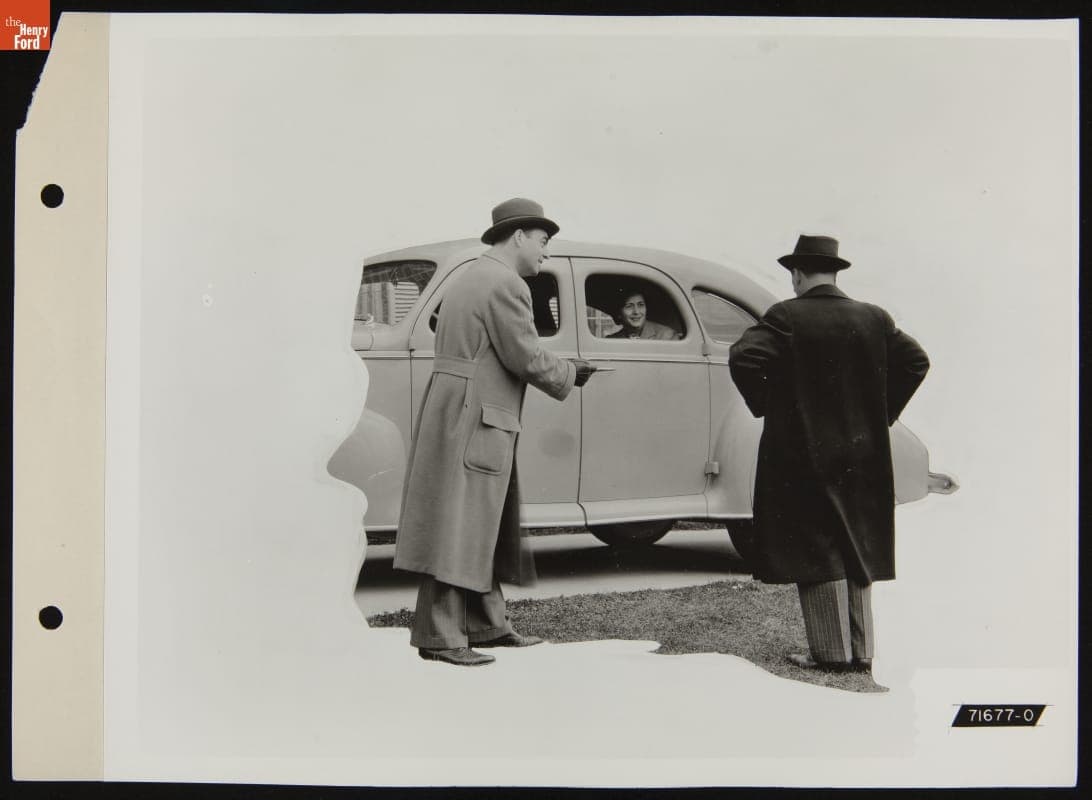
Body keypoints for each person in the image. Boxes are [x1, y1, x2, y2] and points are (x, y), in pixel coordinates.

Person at [393, 198, 596, 667]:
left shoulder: (470, 275)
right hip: (477, 414)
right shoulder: (507, 285)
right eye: (543, 242)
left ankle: (487, 624)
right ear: (519, 235)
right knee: (458, 522)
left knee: (478, 518)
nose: (545, 253)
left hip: (458, 407)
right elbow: (523, 354)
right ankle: (441, 637)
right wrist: (568, 372)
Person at [728, 234, 929, 674]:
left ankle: (831, 654)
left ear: (797, 275)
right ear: (835, 273)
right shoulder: (874, 317)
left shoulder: (786, 315)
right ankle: (862, 652)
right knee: (857, 543)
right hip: (864, 453)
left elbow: (743, 357)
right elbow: (916, 361)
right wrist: (882, 414)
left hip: (805, 452)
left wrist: (771, 404)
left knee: (816, 546)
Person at [606, 289, 679, 340]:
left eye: (641, 305)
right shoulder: (611, 340)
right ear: (619, 313)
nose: (636, 312)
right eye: (629, 306)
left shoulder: (667, 336)